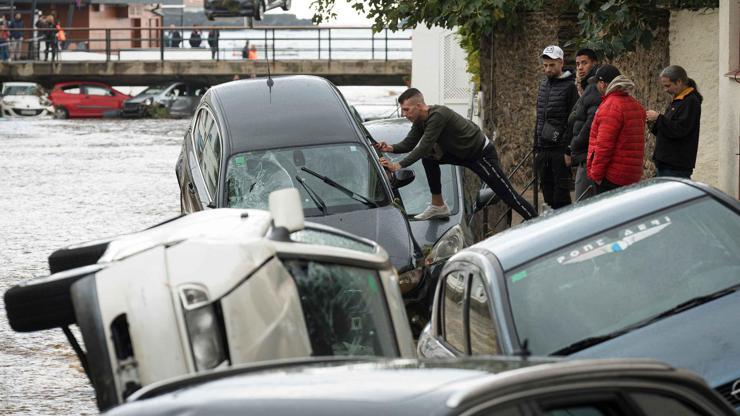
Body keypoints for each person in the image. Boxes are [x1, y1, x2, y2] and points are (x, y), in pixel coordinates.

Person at [374, 88, 538, 221]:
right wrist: (390, 148)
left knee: (507, 195)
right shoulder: (419, 121)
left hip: (480, 155)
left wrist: (398, 165)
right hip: (461, 155)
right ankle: (438, 205)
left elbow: (424, 146)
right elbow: (409, 144)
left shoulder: (438, 115)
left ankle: (535, 221)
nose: (404, 114)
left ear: (419, 106)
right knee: (429, 158)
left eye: (406, 110)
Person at [586, 65, 646, 194]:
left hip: (612, 177)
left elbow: (603, 146)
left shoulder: (610, 106)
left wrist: (596, 175)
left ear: (602, 84)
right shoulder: (635, 105)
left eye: (597, 83)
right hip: (631, 176)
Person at [534, 45, 578, 209]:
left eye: (551, 65)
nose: (548, 69)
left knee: (561, 197)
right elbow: (539, 117)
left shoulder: (570, 86)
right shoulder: (543, 85)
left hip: (559, 149)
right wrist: (536, 148)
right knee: (546, 196)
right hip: (543, 148)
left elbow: (573, 120)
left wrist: (568, 149)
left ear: (561, 63)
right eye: (545, 65)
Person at [646, 65, 702, 179]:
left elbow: (679, 129)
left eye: (668, 85)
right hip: (667, 163)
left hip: (676, 166)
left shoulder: (690, 101)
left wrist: (658, 118)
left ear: (679, 82)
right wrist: (652, 122)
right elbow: (667, 129)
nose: (666, 90)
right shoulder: (678, 100)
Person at [567, 48, 601, 200]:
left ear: (594, 63)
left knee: (583, 203)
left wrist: (574, 144)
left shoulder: (594, 87)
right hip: (586, 154)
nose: (580, 67)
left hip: (588, 155)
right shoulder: (587, 86)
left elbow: (591, 121)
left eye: (584, 63)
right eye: (577, 64)